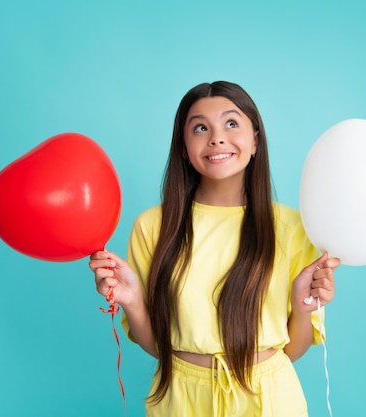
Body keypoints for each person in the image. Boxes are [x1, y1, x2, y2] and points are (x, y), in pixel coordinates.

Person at [89, 81, 340, 417]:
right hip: (180, 398)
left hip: (269, 399)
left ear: (255, 141)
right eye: (200, 128)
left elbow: (292, 350)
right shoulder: (152, 226)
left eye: (231, 123)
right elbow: (156, 348)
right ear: (183, 147)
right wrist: (133, 300)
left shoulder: (294, 228)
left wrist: (301, 304)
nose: (217, 138)